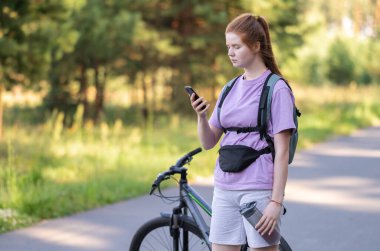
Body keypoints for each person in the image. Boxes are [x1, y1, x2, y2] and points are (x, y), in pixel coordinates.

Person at [189, 13, 296, 251]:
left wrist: (275, 202)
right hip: (225, 190)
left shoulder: (276, 89)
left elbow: (282, 152)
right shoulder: (230, 87)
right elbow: (209, 142)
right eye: (228, 46)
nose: (230, 52)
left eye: (236, 46)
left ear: (256, 46)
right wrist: (201, 116)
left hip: (259, 191)